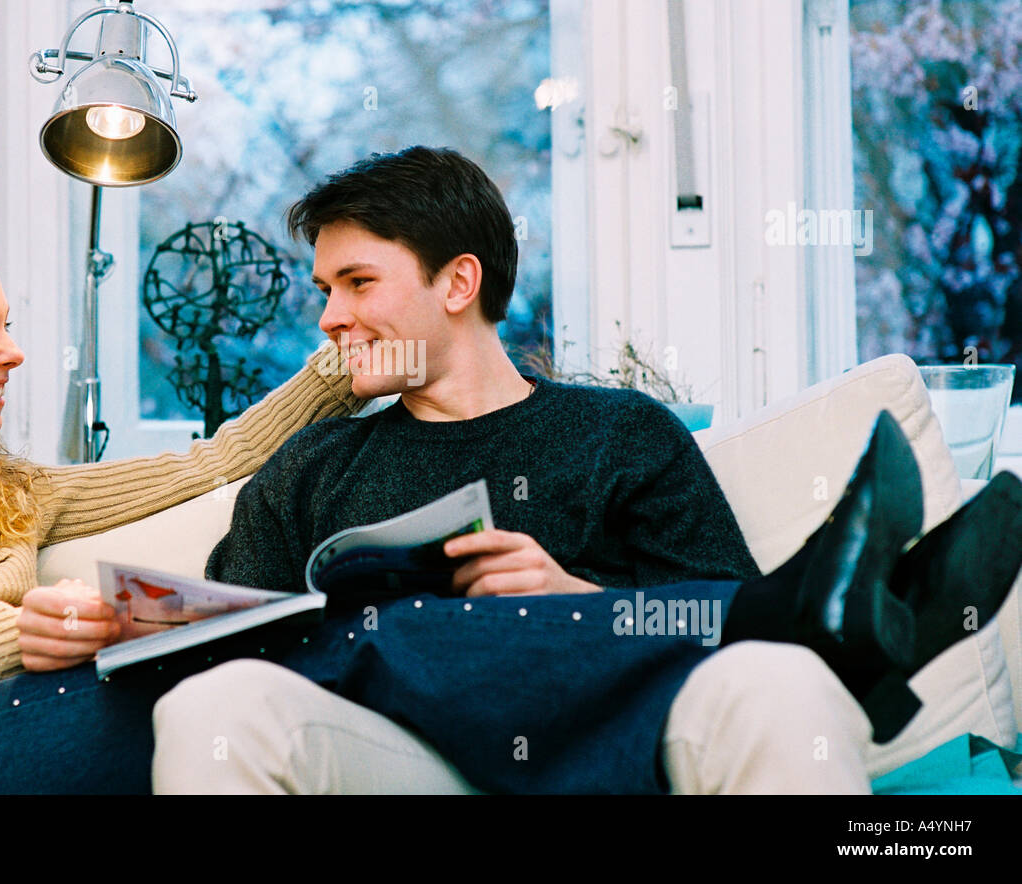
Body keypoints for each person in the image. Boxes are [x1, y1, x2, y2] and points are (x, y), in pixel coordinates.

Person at [150, 146, 1022, 794]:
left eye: (357, 283)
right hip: (405, 761)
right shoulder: (313, 468)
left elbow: (718, 637)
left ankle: (821, 619)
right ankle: (828, 607)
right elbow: (232, 650)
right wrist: (121, 623)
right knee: (217, 706)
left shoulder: (620, 436)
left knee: (780, 673)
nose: (332, 317)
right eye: (323, 290)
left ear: (458, 283)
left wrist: (579, 598)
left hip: (615, 749)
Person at [0, 218, 365, 794]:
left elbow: (212, 465)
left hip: (26, 721)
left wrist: (357, 354)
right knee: (230, 699)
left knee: (258, 681)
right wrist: (14, 633)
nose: (13, 352)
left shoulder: (9, 491)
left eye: (7, 327)